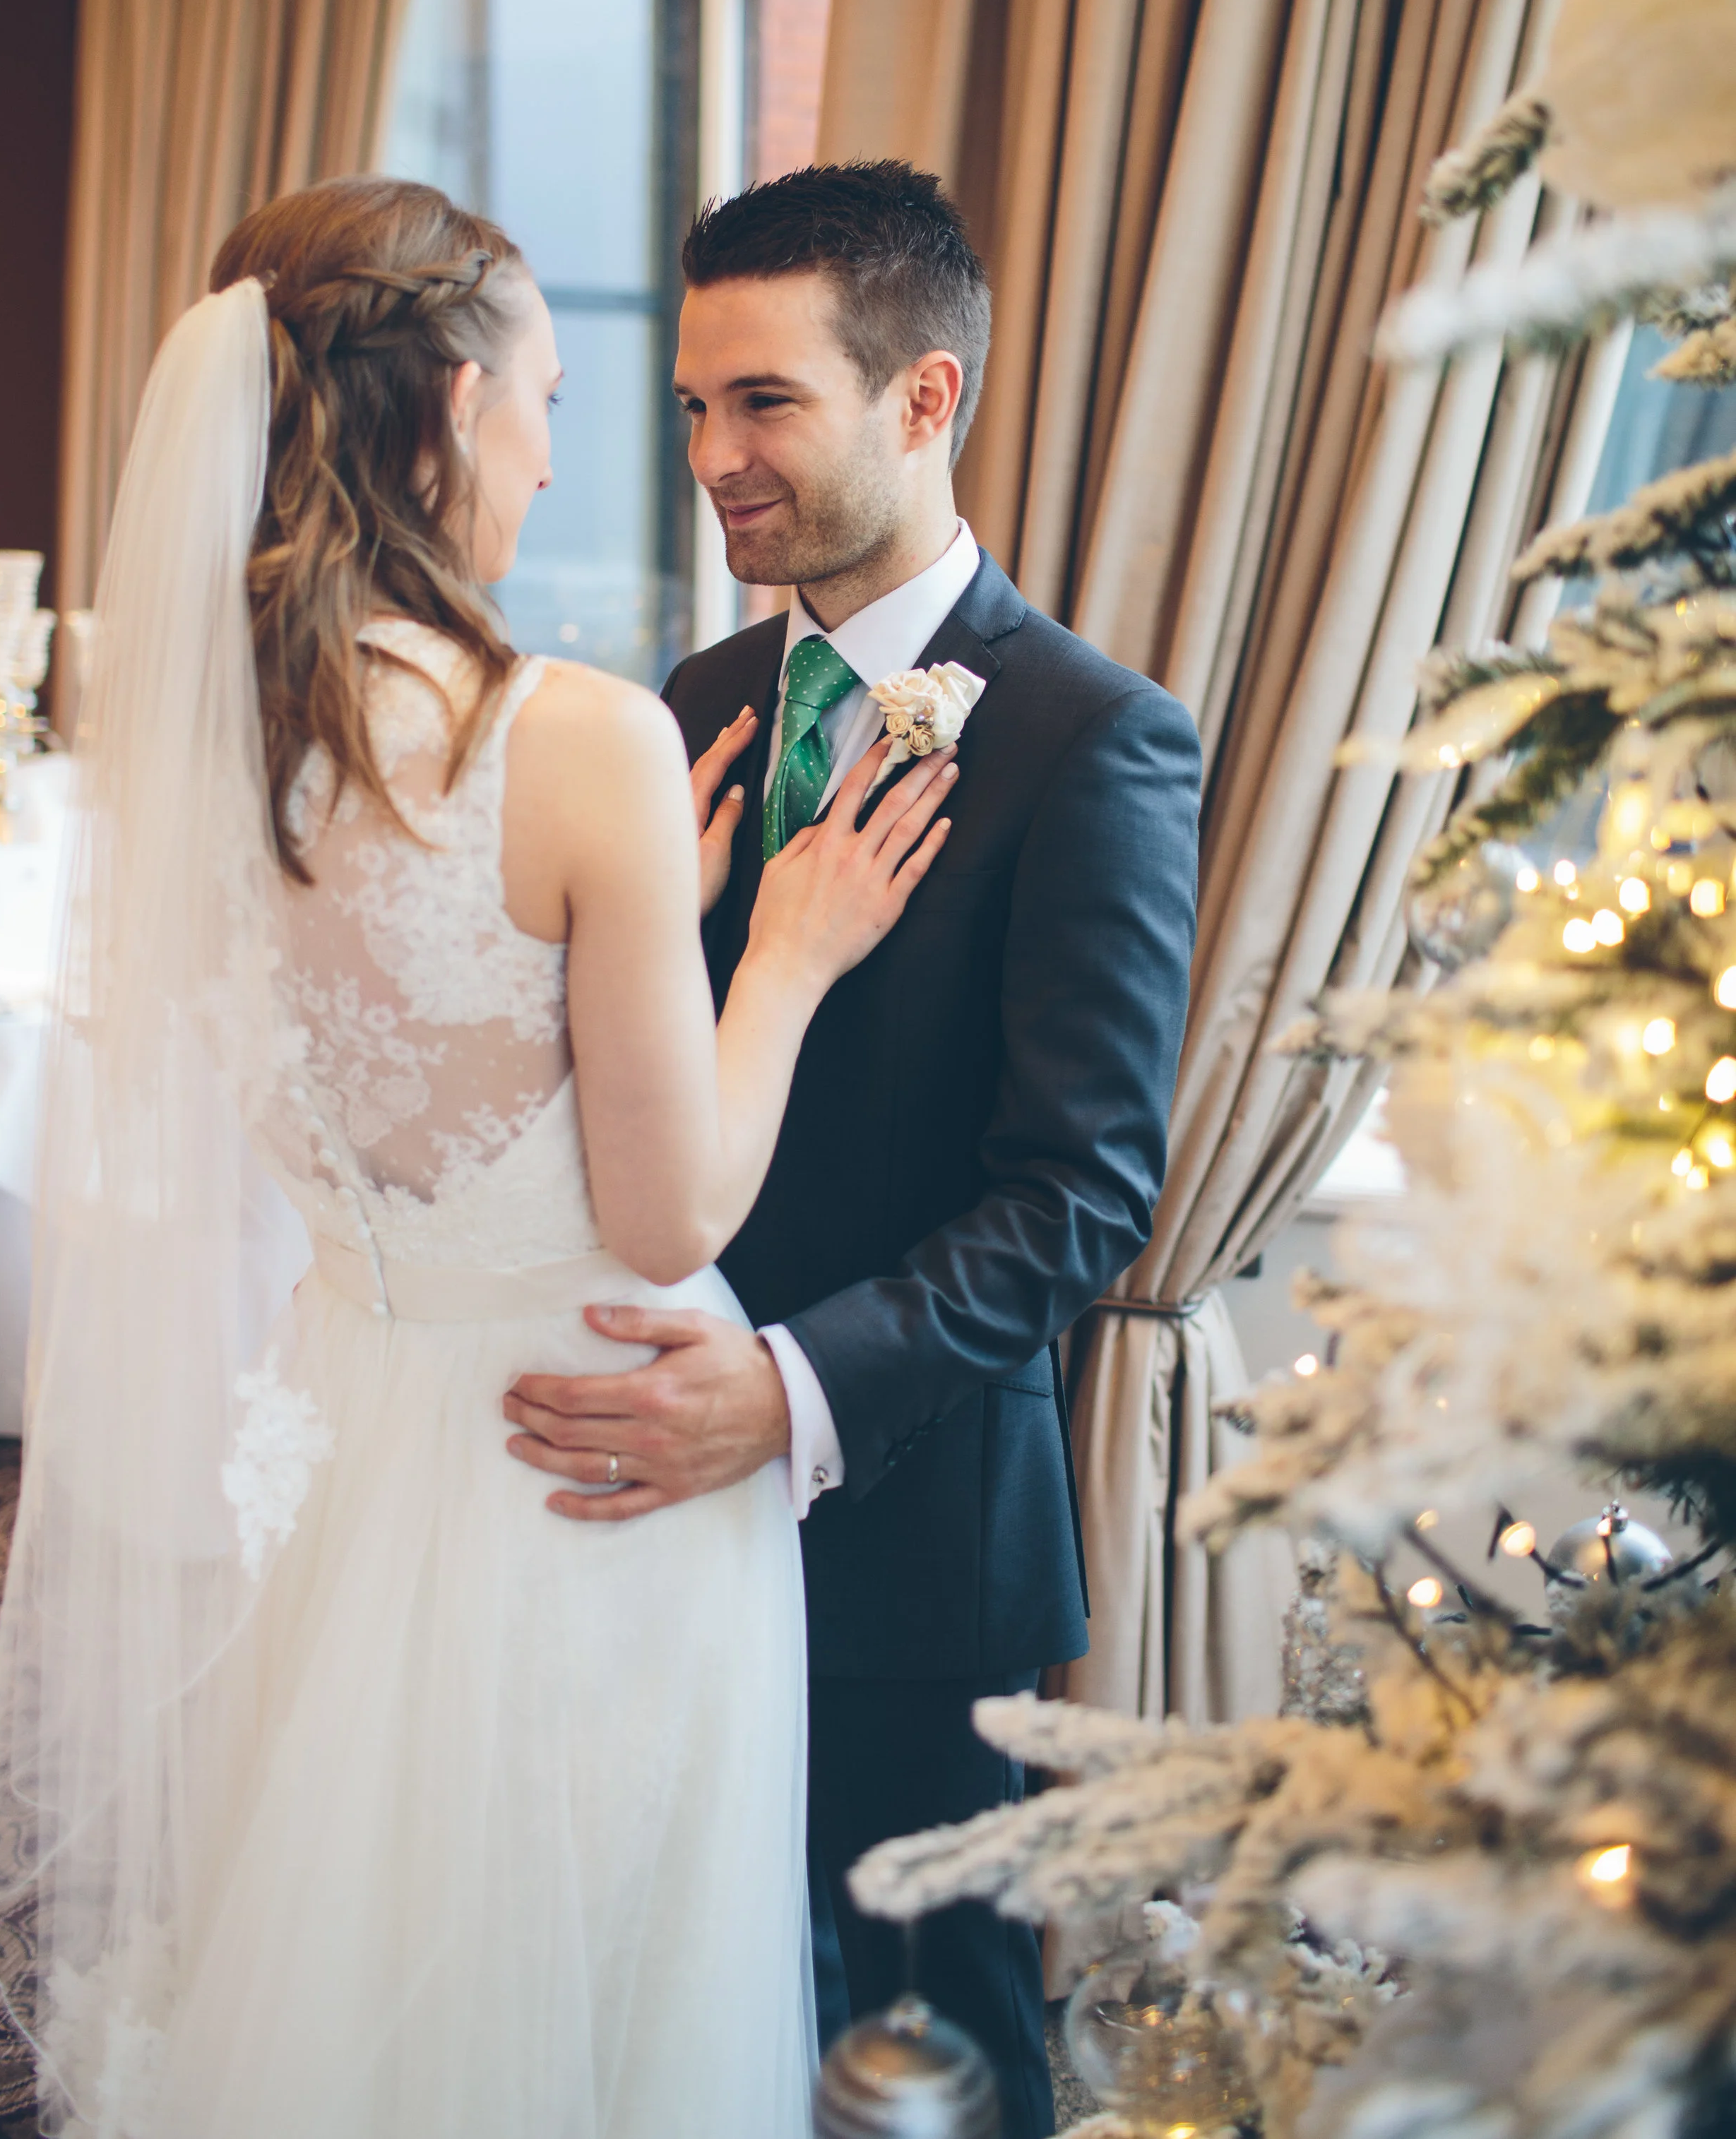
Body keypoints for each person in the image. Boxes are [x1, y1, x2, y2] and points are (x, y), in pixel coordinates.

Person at [0, 175, 958, 2139]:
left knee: (360, 1946)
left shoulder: (227, 738)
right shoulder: (569, 729)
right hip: (584, 1460)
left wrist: (628, 941)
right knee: (588, 1995)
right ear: (441, 411)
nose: (561, 452)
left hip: (354, 1436)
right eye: (554, 399)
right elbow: (666, 1207)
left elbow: (424, 1056)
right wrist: (773, 957)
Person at [500, 159, 1203, 2138]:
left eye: (767, 402)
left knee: (924, 2060)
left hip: (904, 1553)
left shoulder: (1093, 738)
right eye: (693, 405)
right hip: (639, 1517)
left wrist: (789, 1395)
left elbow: (1078, 1191)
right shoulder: (685, 711)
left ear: (924, 398)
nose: (713, 453)